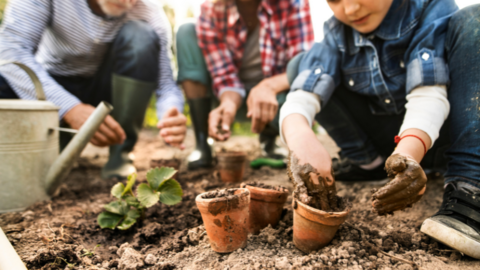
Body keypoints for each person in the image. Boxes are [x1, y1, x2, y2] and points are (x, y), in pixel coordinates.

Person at [281, 0, 480, 259]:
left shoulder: (430, 8)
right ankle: (369, 164)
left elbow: (428, 94)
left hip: (444, 136)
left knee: (475, 20)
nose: (350, 9)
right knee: (300, 65)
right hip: (391, 145)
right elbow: (302, 96)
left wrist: (408, 153)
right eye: (334, 0)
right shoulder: (336, 32)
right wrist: (301, 138)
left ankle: (470, 186)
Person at [0, 0, 187, 179]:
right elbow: (11, 50)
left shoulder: (149, 11)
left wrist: (171, 112)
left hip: (106, 92)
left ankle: (120, 154)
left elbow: (166, 85)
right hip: (52, 86)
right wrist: (69, 108)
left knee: (141, 35)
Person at [175, 0, 314, 169]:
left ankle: (269, 137)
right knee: (186, 30)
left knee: (301, 88)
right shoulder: (211, 10)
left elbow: (303, 67)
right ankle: (202, 142)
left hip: (275, 98)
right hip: (227, 97)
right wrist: (228, 102)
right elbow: (224, 76)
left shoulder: (293, 4)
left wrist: (268, 87)